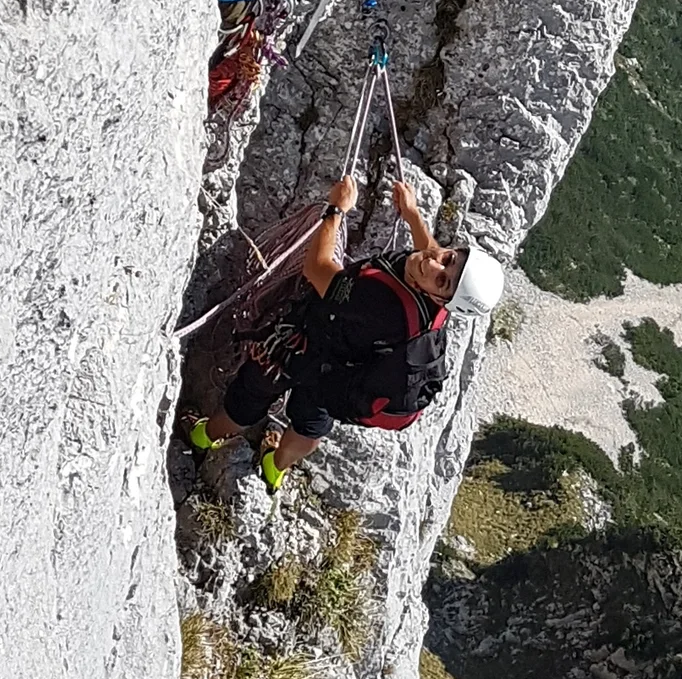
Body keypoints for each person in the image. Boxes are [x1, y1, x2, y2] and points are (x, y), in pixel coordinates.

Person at [191, 172, 507, 469]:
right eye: (449, 259)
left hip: (305, 351)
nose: (434, 265)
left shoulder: (377, 301)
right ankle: (275, 467)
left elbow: (317, 268)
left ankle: (202, 437)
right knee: (309, 426)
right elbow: (433, 252)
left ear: (442, 299)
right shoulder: (436, 304)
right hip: (345, 374)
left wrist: (336, 209)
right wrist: (412, 215)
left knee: (249, 395)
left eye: (443, 282)